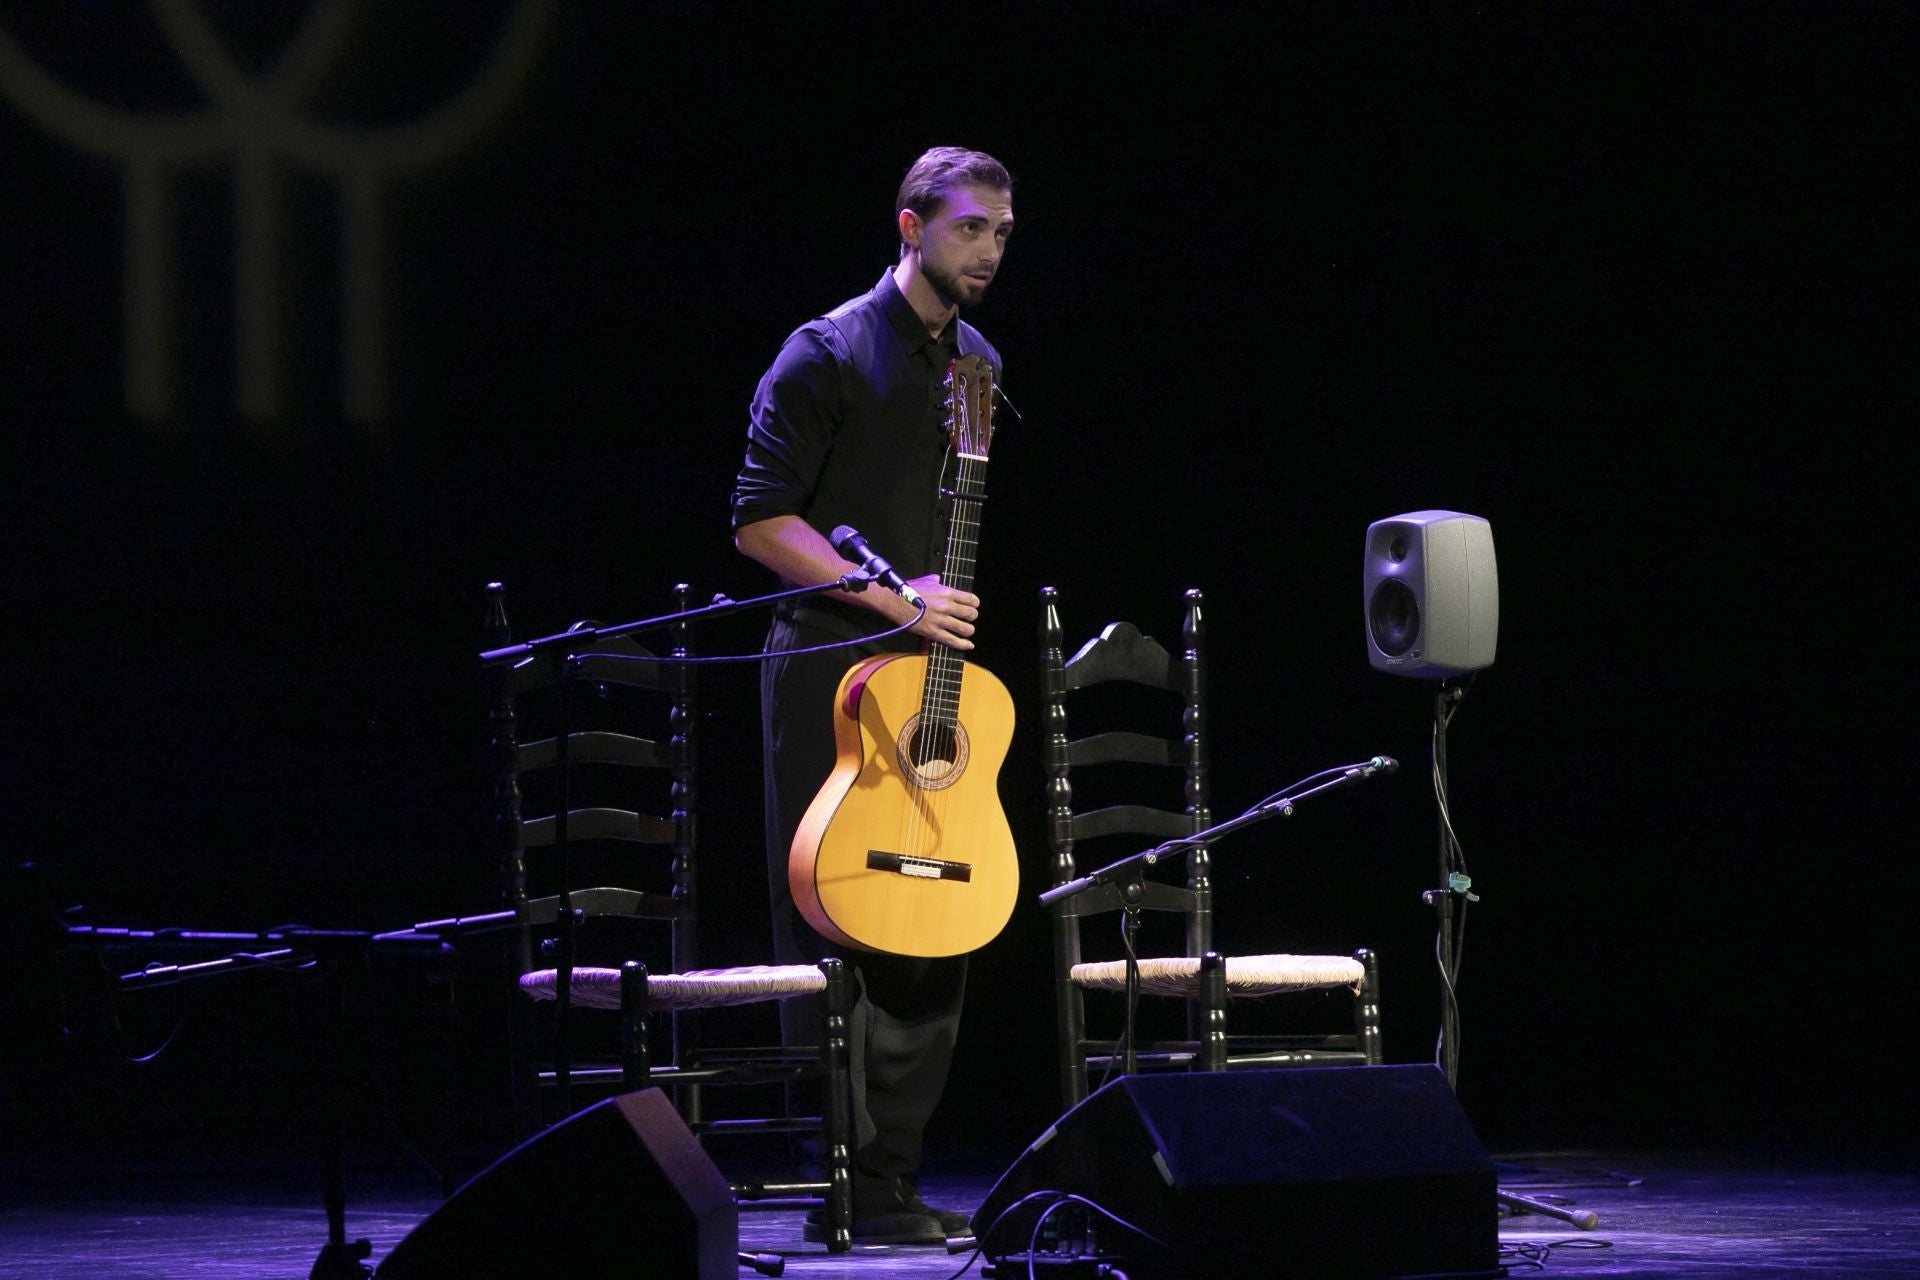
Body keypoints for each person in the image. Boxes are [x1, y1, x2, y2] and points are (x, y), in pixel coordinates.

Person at [730, 146, 1014, 1245]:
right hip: (828, 669)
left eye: (999, 231)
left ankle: (893, 1173)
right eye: (968, 228)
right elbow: (761, 519)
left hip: (926, 682)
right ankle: (841, 1175)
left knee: (939, 906)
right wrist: (896, 602)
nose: (988, 249)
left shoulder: (977, 359)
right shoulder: (825, 352)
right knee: (843, 911)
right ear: (910, 226)